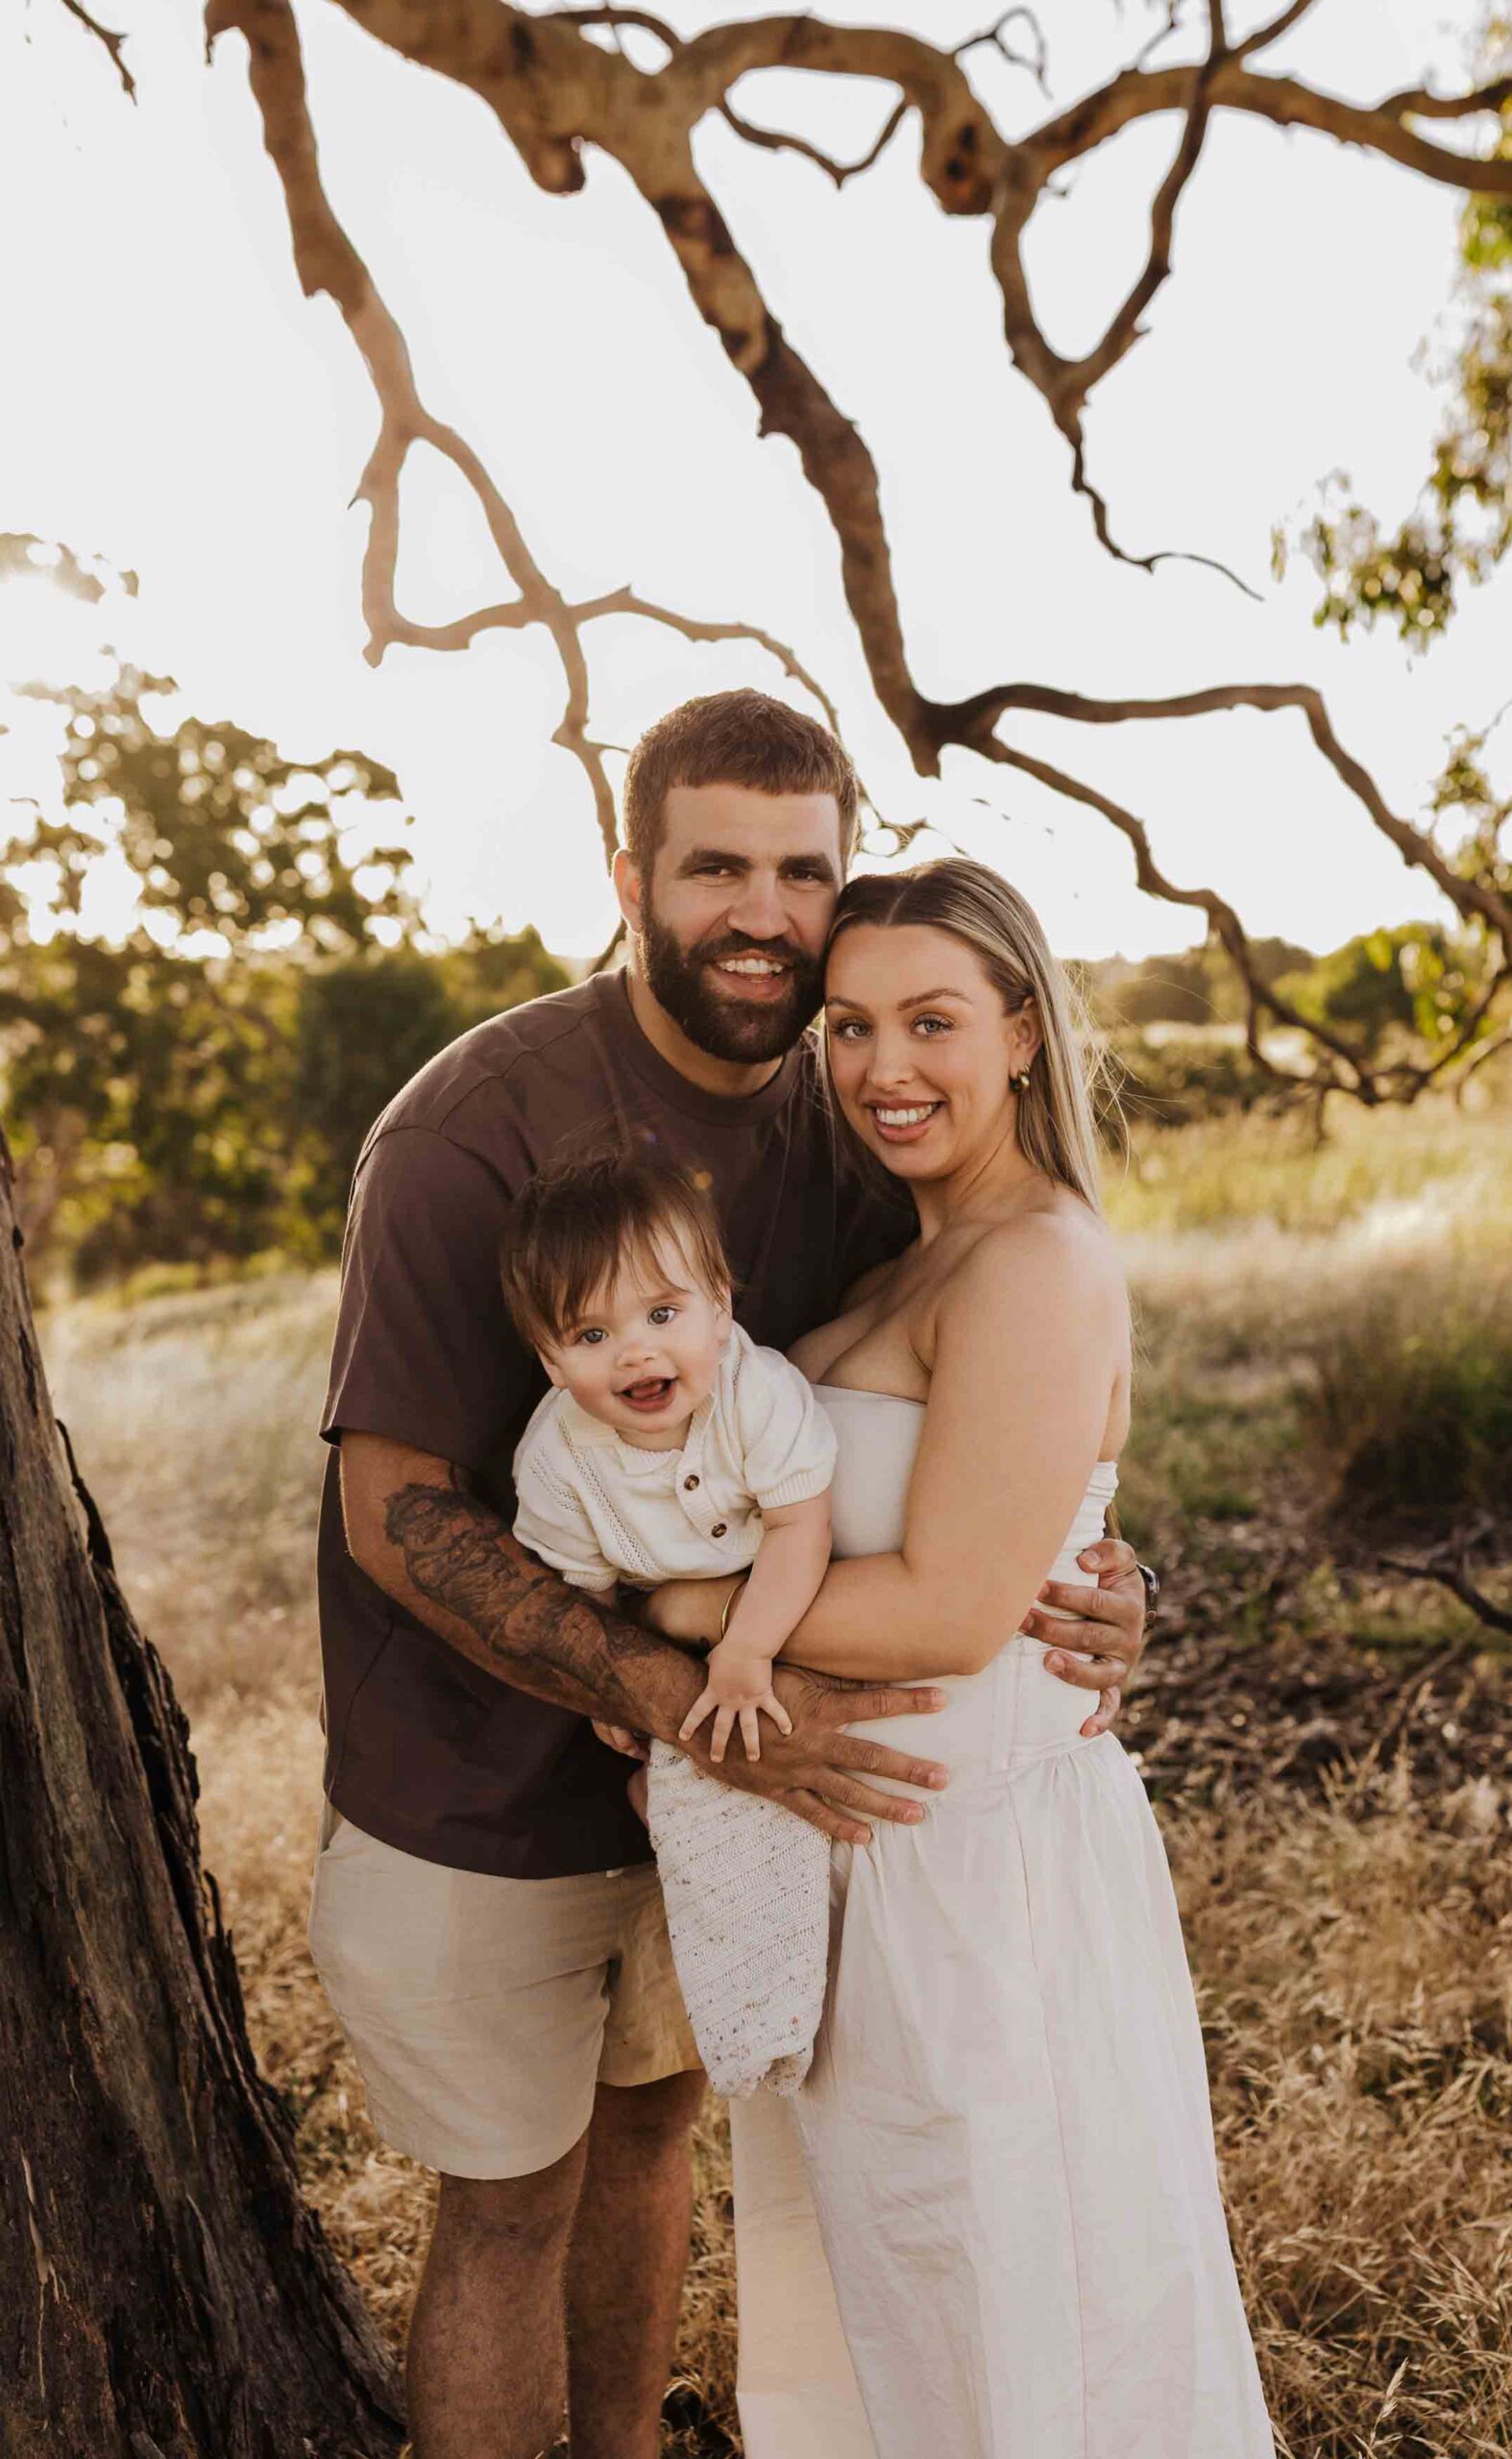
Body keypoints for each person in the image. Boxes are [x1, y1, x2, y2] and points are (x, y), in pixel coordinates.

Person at [306, 690, 1151, 2459]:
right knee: (509, 2210)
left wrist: (1076, 1559)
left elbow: (945, 1428)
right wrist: (665, 1676)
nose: (762, 914)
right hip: (487, 1801)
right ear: (632, 876)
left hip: (742, 1810)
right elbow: (394, 1504)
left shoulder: (855, 1123)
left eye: (801, 873)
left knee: (650, 2148)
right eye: (716, 868)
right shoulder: (472, 1129)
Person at [646, 858, 1274, 2457]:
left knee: (1011, 2316)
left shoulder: (1034, 1259)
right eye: (848, 1026)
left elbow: (947, 1609)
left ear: (1017, 1029)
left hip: (982, 1879)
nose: (881, 1068)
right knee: (893, 2329)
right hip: (876, 1866)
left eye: (931, 1020)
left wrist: (671, 1614)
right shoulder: (900, 1254)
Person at [502, 1147, 842, 2097]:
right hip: (667, 1634)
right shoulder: (557, 1461)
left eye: (662, 1314)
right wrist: (605, 1688)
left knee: (786, 1742)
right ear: (547, 1359)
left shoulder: (753, 1390)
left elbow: (798, 1525)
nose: (637, 1352)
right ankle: (752, 2007)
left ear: (720, 1308)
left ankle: (801, 1976)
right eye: (591, 1333)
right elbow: (581, 1599)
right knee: (693, 1768)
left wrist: (745, 1650)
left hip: (788, 1599)